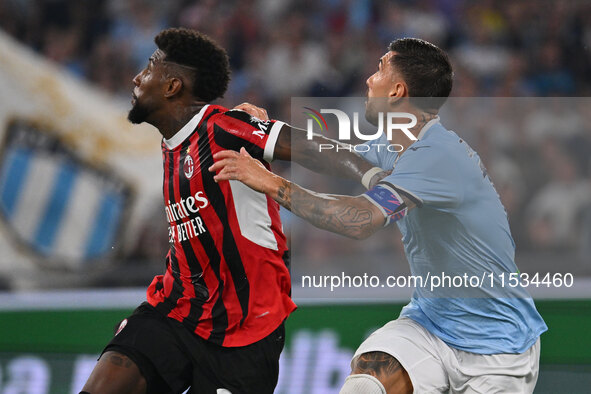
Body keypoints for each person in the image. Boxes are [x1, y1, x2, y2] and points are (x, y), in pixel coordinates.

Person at [210, 38, 548, 393]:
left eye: (380, 69)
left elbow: (360, 220)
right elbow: (330, 153)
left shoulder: (437, 157)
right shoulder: (397, 146)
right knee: (366, 383)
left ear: (398, 90)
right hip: (430, 326)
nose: (369, 80)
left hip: (498, 349)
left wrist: (271, 183)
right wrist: (259, 131)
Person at [81, 27, 382, 394]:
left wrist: (371, 173)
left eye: (149, 67)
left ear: (173, 85)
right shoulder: (172, 142)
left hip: (247, 330)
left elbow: (310, 148)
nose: (136, 77)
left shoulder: (225, 128)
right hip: (174, 311)